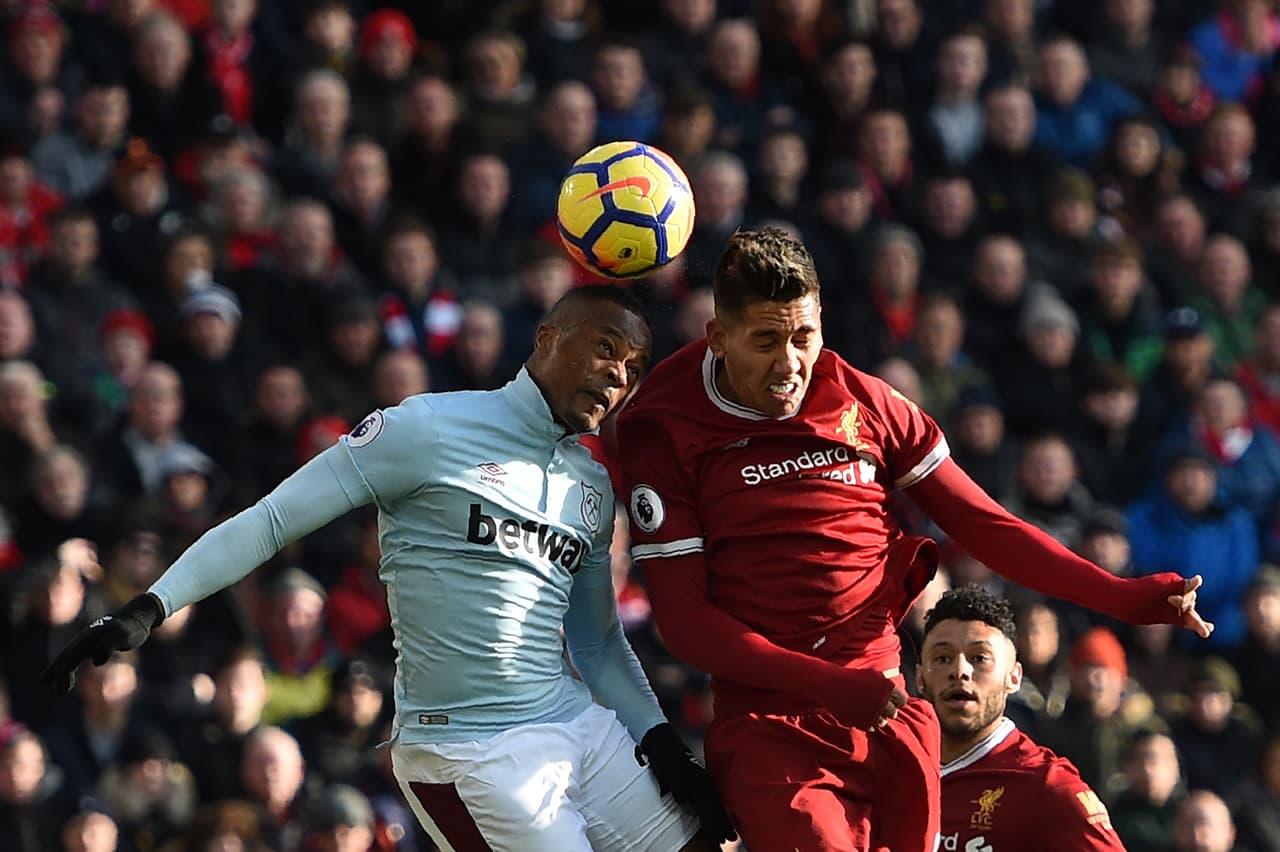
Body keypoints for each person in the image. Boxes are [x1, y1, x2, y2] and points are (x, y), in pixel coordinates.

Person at [41, 285, 733, 851]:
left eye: (634, 368)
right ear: (547, 339)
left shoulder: (591, 487)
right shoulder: (426, 429)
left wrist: (663, 745)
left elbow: (597, 644)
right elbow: (273, 519)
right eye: (605, 348)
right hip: (472, 755)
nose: (618, 374)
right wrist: (150, 607)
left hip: (578, 727)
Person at [615, 227, 1213, 852]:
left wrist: (1122, 596)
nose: (790, 363)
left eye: (804, 337)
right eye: (765, 341)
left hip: (886, 711)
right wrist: (827, 683)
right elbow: (685, 623)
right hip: (772, 724)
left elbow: (987, 526)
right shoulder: (667, 426)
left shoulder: (864, 402)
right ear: (718, 336)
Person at [917, 585, 1126, 851]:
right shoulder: (893, 771)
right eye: (943, 657)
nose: (960, 671)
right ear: (921, 677)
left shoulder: (1047, 786)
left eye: (979, 658)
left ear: (1014, 678)